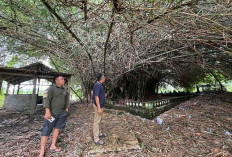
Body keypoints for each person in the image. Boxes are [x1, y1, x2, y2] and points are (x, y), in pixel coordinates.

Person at [39, 76, 69, 157]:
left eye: (64, 79)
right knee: (46, 130)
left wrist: (66, 110)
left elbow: (67, 101)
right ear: (56, 80)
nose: (64, 80)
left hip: (61, 114)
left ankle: (53, 145)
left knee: (57, 128)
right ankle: (41, 151)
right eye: (62, 79)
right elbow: (46, 99)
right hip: (52, 114)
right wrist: (47, 111)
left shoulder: (65, 90)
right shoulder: (50, 89)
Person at [92, 73, 106, 145]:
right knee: (97, 121)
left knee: (99, 119)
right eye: (104, 77)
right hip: (98, 106)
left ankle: (99, 133)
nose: (105, 78)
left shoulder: (100, 84)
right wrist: (99, 108)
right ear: (102, 78)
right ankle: (96, 139)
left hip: (100, 105)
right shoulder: (97, 85)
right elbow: (96, 97)